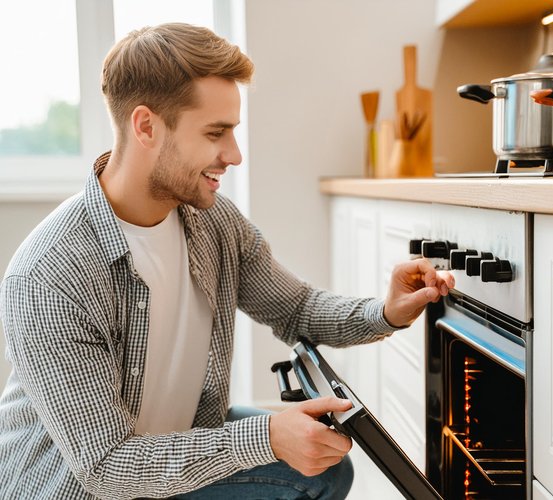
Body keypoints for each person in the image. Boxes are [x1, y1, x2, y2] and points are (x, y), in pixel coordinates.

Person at [0, 23, 454, 500]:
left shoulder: (211, 221)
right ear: (146, 126)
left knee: (323, 468)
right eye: (216, 133)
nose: (234, 156)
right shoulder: (49, 274)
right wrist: (268, 438)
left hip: (171, 442)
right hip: (89, 488)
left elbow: (295, 308)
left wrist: (385, 311)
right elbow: (108, 466)